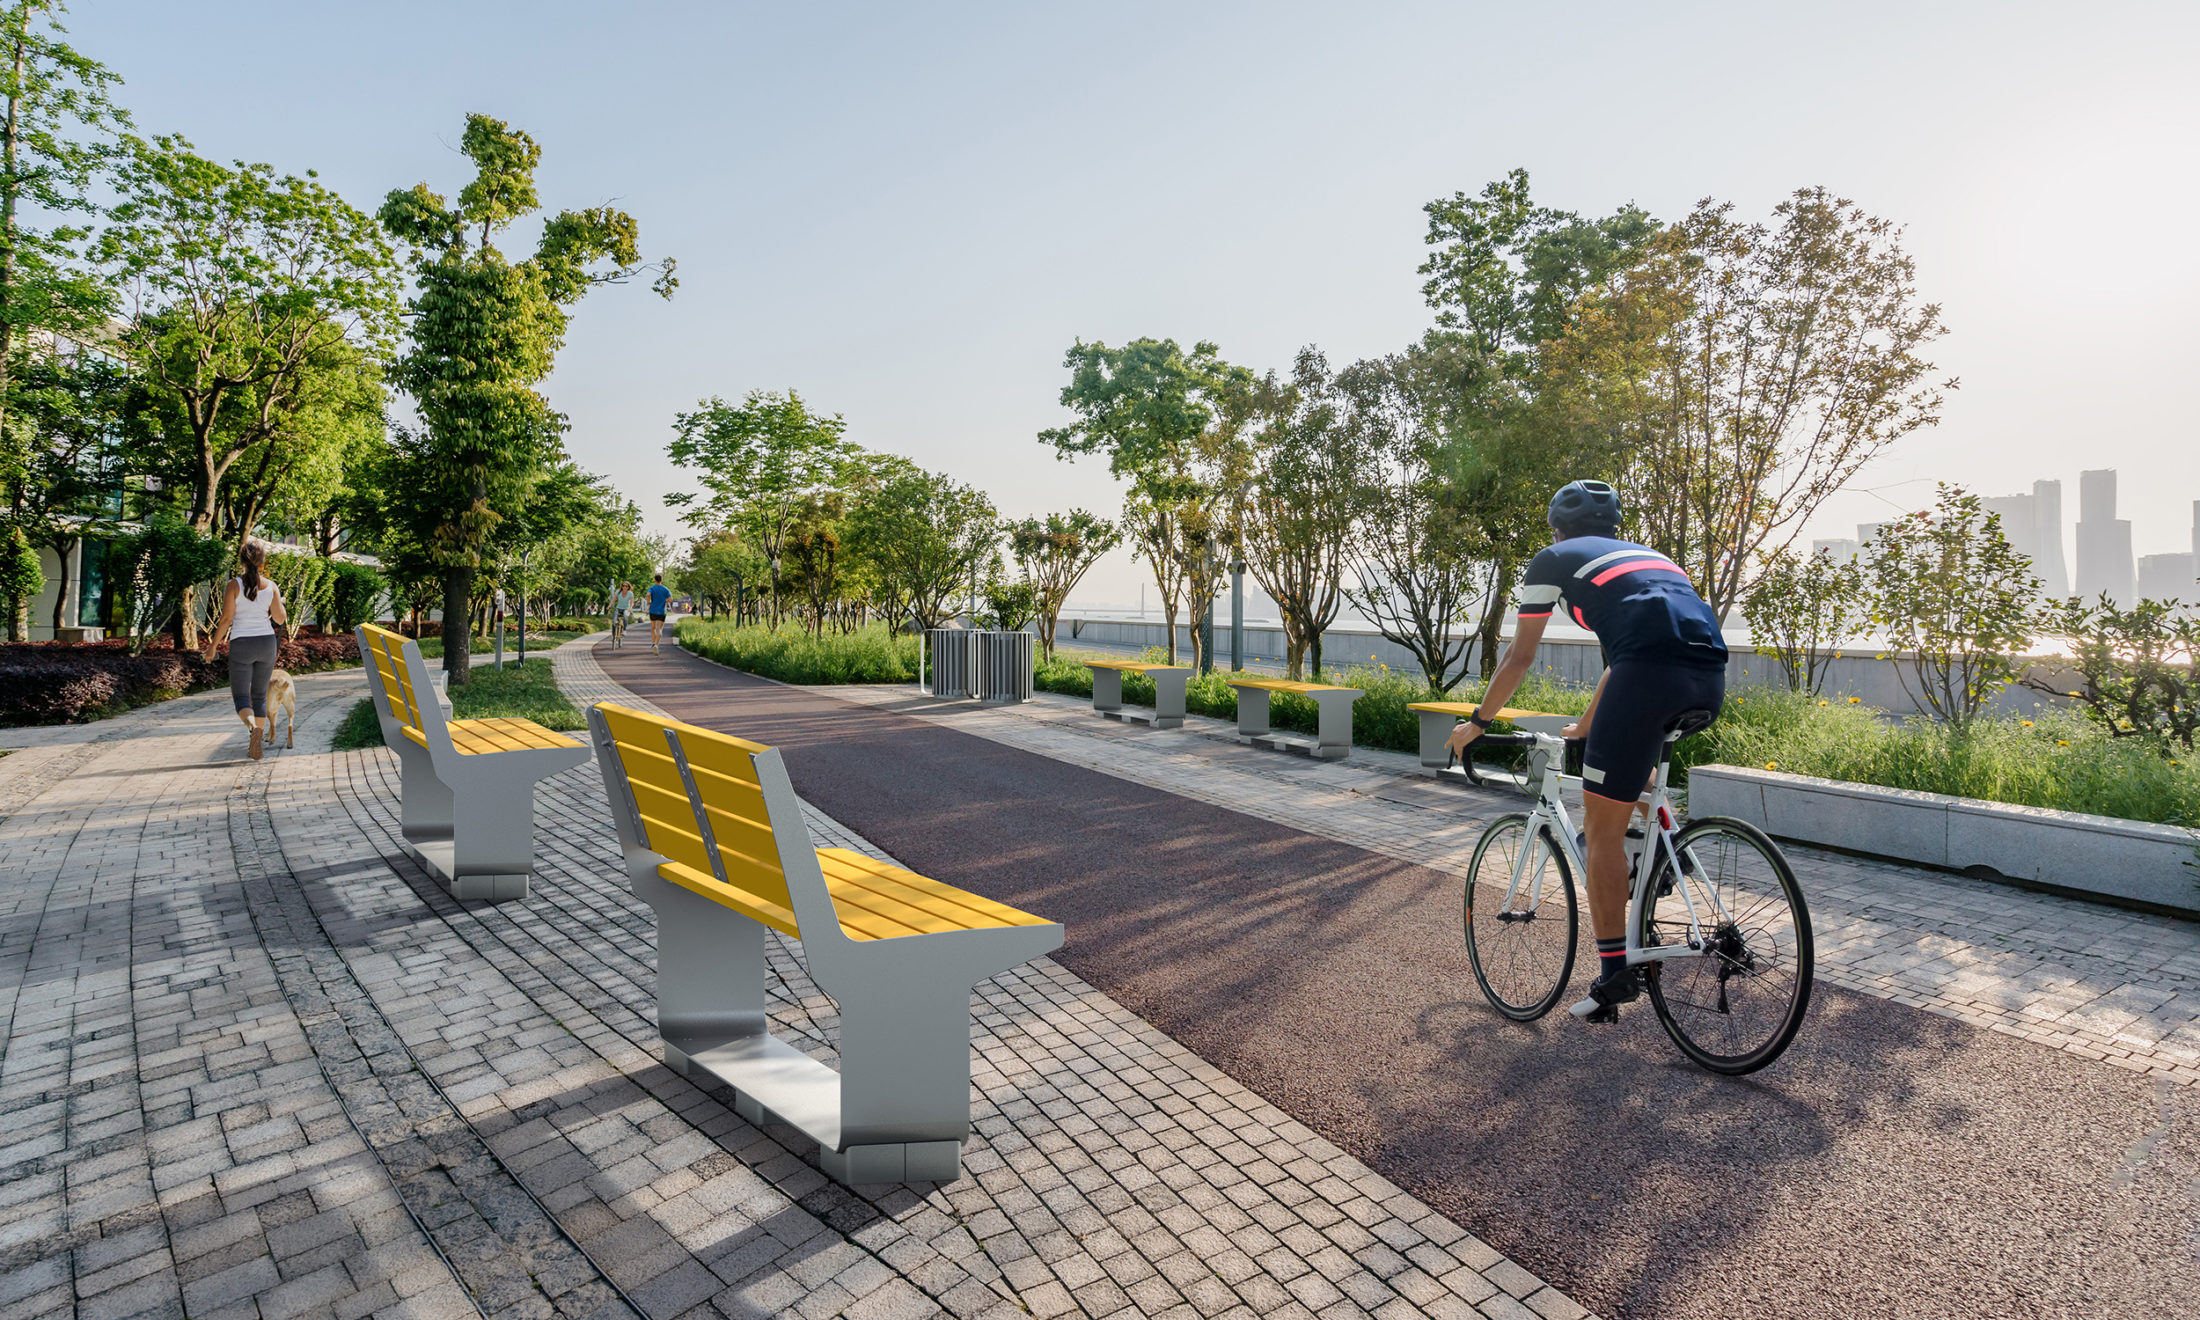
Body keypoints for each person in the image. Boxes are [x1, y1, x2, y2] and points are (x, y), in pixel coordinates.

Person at [1445, 480, 1728, 1022]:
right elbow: (1623, 660)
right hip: (1708, 680)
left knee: (1600, 832)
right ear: (1613, 527)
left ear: (1557, 528)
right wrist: (1584, 727)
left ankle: (1614, 974)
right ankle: (1661, 850)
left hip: (1646, 679)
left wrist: (1479, 722)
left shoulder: (1553, 559)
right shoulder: (1654, 558)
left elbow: (1520, 657)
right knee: (1630, 779)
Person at [202, 541, 288, 761]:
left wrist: (212, 647)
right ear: (262, 561)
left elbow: (226, 619)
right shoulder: (272, 586)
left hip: (242, 644)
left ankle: (252, 728)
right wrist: (279, 602)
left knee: (241, 697)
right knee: (259, 695)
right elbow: (279, 619)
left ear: (241, 560)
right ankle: (257, 735)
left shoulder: (234, 585)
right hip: (267, 643)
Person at [646, 573, 672, 654]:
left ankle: (653, 643)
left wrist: (648, 602)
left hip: (653, 610)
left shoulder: (652, 588)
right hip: (662, 611)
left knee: (653, 627)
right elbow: (671, 599)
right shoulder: (665, 589)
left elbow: (648, 595)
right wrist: (665, 601)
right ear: (661, 580)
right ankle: (657, 645)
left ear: (655, 579)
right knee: (659, 629)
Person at [612, 581, 632, 648]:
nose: (624, 587)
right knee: (614, 620)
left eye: (626, 586)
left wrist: (630, 608)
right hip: (618, 608)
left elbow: (632, 603)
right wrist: (609, 606)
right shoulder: (618, 592)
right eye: (623, 585)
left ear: (628, 587)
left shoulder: (630, 593)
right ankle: (614, 635)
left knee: (625, 616)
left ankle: (624, 630)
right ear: (622, 586)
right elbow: (613, 600)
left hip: (626, 609)